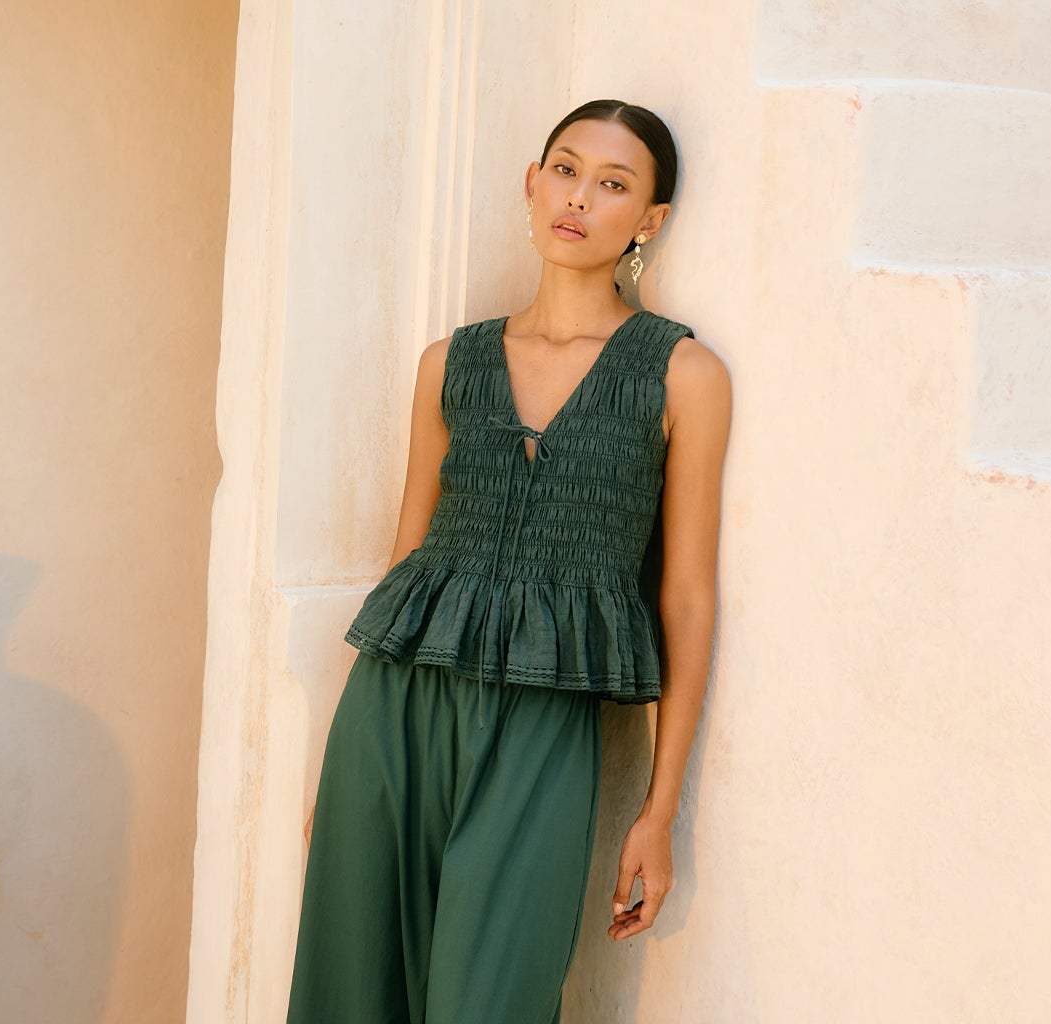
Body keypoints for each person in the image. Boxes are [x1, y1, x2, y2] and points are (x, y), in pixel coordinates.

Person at [285, 99, 733, 1023]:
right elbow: (408, 557)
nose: (579, 198)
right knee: (353, 989)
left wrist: (660, 813)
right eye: (565, 170)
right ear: (532, 184)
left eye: (613, 184)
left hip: (543, 722)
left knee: (490, 1000)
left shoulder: (684, 374)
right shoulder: (450, 362)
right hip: (392, 711)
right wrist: (337, 767)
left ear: (650, 221)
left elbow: (686, 597)